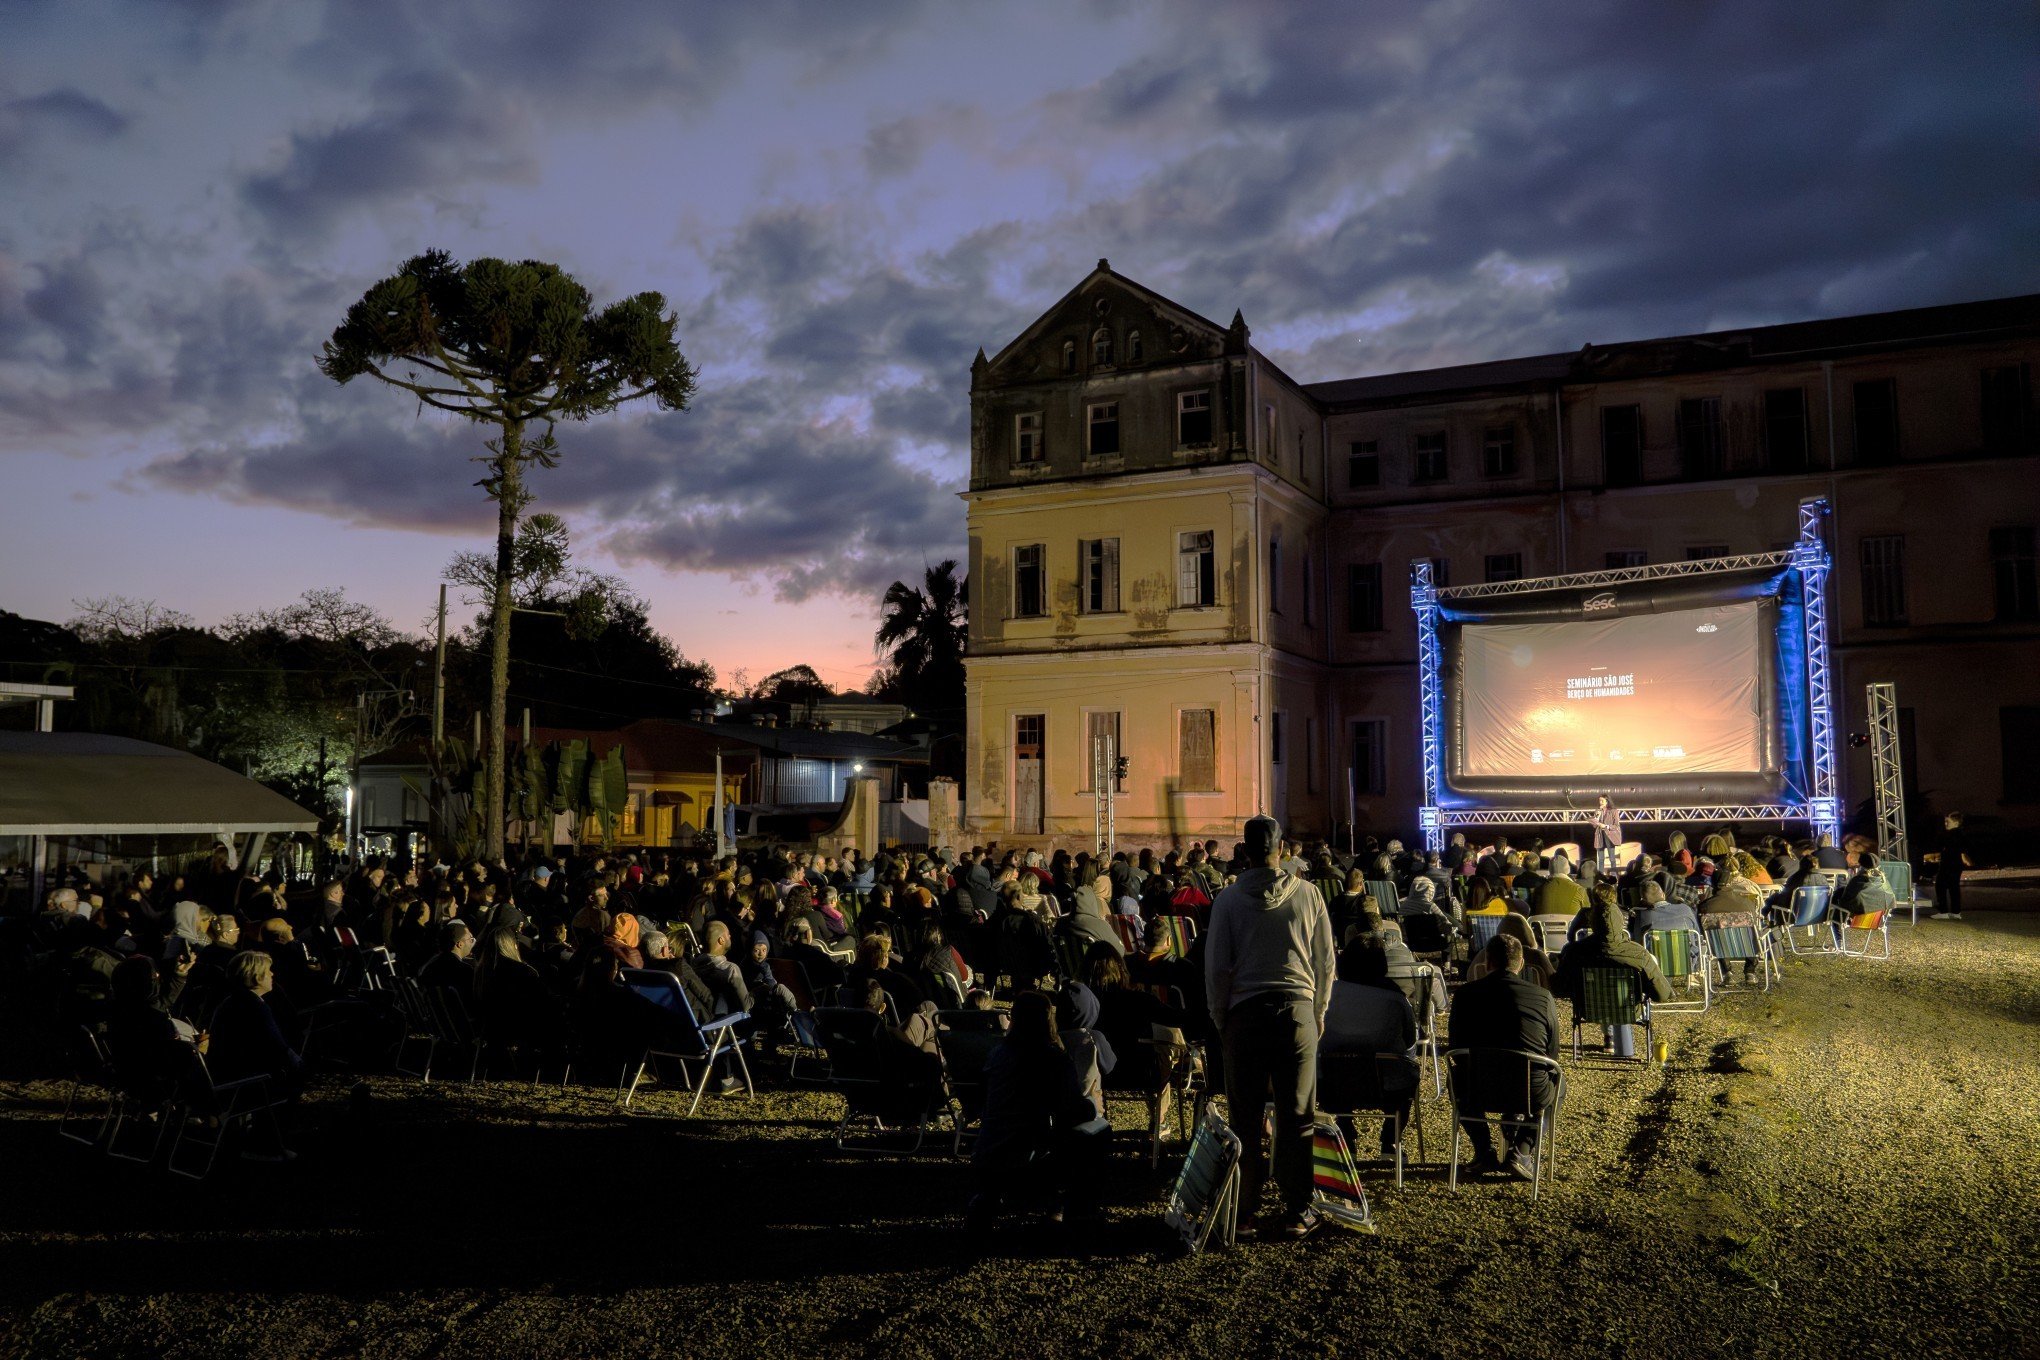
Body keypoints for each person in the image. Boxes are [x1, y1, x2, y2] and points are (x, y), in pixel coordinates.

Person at [1204, 815, 1336, 1241]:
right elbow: (1325, 962)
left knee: (1245, 1117)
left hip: (1245, 1013)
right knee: (1298, 1115)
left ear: (1243, 850)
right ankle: (1298, 1209)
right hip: (1296, 1012)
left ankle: (1245, 1212)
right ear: (1282, 849)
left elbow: (1216, 968)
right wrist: (1317, 1013)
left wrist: (1221, 1017)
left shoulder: (1228, 900)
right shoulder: (1309, 895)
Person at [965, 990, 1109, 1233]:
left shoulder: (997, 1055)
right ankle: (1076, 1209)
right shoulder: (1053, 1059)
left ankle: (991, 1200)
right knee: (1098, 1134)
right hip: (1027, 1159)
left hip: (987, 1155)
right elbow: (1071, 1111)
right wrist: (1092, 1106)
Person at [1448, 935, 1561, 1179]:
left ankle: (1483, 1150)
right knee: (1558, 1084)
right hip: (1529, 1089)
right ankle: (1522, 1151)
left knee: (1455, 1078)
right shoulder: (1542, 997)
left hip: (1476, 1088)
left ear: (1488, 962)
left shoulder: (1465, 995)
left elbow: (1455, 1047)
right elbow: (1552, 1053)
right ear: (1520, 964)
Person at [1319, 936, 1418, 1159]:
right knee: (1408, 1077)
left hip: (1335, 1084)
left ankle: (1346, 1136)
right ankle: (1389, 1142)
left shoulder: (1327, 994)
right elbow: (1410, 1043)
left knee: (1334, 1066)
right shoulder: (1395, 999)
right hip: (1386, 1085)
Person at [1553, 898, 1672, 1057]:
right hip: (1629, 1010)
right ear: (1621, 922)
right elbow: (1662, 994)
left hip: (1588, 1009)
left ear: (1592, 924)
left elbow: (1560, 988)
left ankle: (1609, 1039)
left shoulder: (1574, 952)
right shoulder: (1637, 954)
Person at [1928, 813, 1970, 920]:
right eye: (1945, 822)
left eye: (1948, 822)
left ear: (1956, 823)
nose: (1946, 824)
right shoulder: (1962, 834)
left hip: (1948, 863)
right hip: (1957, 864)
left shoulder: (1949, 834)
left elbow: (1938, 845)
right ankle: (1956, 912)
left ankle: (1943, 911)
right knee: (1954, 887)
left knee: (1940, 885)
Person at [1593, 797, 1622, 874]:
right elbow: (1594, 826)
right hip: (1600, 835)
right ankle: (1600, 876)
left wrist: (1606, 826)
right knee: (1600, 859)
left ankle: (1614, 876)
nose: (1600, 802)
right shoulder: (1597, 811)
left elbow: (1616, 825)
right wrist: (1597, 816)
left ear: (1607, 801)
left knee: (1612, 858)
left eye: (1602, 800)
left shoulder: (1613, 811)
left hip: (1610, 835)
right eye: (1599, 800)